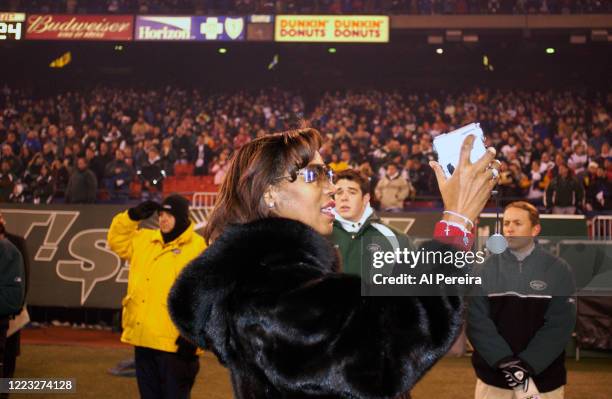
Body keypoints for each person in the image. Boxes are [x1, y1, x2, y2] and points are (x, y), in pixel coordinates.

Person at [168, 128, 500, 398]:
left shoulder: (268, 275)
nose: (332, 187)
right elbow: (384, 354)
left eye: (329, 173)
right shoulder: (267, 290)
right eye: (314, 175)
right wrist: (456, 223)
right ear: (269, 193)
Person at [467, 201, 576, 399]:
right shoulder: (484, 268)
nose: (509, 228)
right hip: (494, 381)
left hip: (544, 381)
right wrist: (505, 362)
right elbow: (477, 322)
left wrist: (526, 365)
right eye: (506, 222)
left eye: (517, 223)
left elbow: (560, 325)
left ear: (535, 229)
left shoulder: (558, 269)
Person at [107, 195, 207, 399]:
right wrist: (132, 216)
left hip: (176, 347)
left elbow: (204, 296)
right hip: (144, 341)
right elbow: (115, 239)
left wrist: (192, 336)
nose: (163, 219)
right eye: (161, 214)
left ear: (181, 218)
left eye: (169, 215)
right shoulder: (145, 240)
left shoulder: (197, 248)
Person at [331, 169, 414, 276]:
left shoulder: (395, 238)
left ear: (365, 199)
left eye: (352, 192)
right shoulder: (320, 235)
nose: (344, 198)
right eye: (339, 192)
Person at [0, 211, 29, 389]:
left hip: (8, 312)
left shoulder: (13, 246)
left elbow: (23, 282)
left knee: (8, 355)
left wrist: (20, 306)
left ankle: (5, 389)